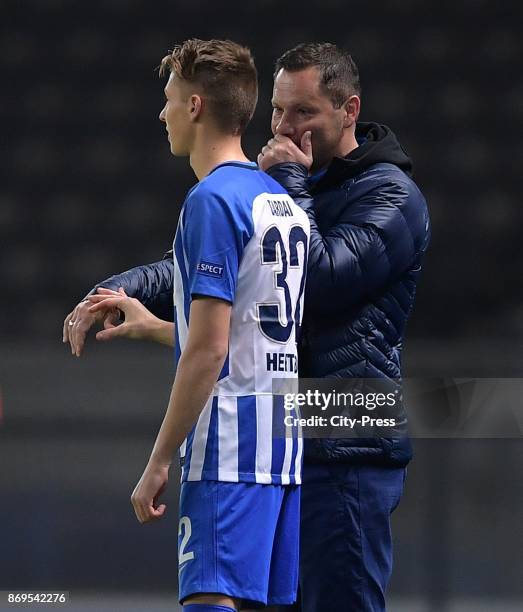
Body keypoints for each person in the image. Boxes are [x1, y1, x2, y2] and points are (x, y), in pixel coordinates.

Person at [64, 42, 430, 612]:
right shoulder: (275, 192)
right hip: (281, 431)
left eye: (303, 112)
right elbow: (244, 310)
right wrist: (129, 291)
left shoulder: (392, 195)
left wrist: (291, 182)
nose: (284, 126)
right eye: (278, 110)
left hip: (347, 430)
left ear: (349, 110)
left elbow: (318, 283)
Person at [81, 38, 310, 612]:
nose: (161, 113)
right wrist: (157, 326)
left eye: (168, 99)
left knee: (208, 602)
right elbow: (244, 337)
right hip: (282, 452)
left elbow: (209, 354)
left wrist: (159, 460)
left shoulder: (211, 201)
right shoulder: (280, 200)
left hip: (228, 449)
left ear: (195, 107)